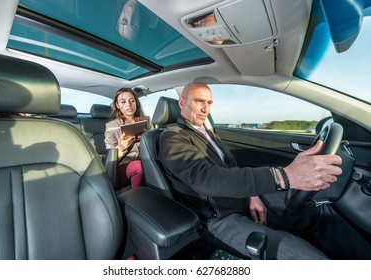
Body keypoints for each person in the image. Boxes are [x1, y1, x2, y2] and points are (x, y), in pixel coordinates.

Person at [158, 82, 371, 259]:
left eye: (209, 102)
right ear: (182, 102)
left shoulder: (205, 133)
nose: (206, 108)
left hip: (240, 200)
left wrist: (252, 193)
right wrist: (284, 176)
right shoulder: (173, 137)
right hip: (218, 219)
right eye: (199, 101)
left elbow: (232, 168)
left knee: (316, 213)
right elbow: (205, 179)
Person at [105, 87, 151, 188]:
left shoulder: (146, 121)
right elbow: (109, 160)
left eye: (132, 101)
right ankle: (138, 198)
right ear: (117, 105)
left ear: (136, 103)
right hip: (121, 166)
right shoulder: (111, 127)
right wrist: (120, 148)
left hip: (144, 160)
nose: (128, 105)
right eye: (123, 102)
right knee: (138, 166)